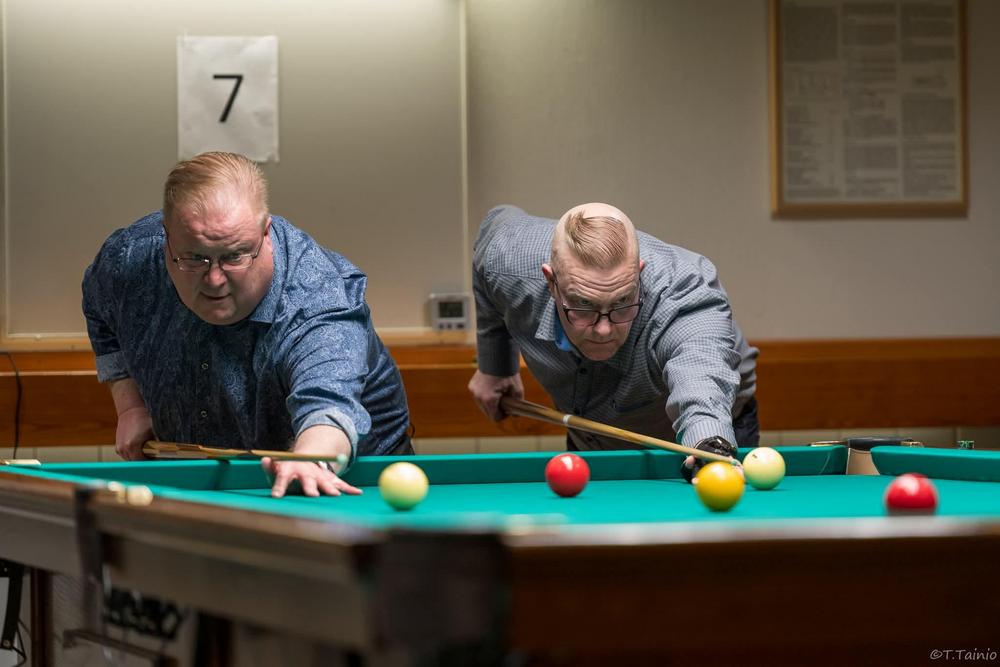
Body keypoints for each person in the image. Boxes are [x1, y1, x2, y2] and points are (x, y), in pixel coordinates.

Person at [83, 151, 411, 497]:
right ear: (167, 237)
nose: (214, 279)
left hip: (346, 481)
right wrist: (131, 406)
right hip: (207, 478)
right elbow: (100, 310)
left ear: (265, 233)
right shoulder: (129, 260)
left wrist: (311, 459)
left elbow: (328, 404)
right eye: (195, 258)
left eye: (234, 256)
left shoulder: (316, 296)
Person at [468, 203, 758, 479]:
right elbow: (493, 228)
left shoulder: (684, 293)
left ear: (639, 275)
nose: (604, 330)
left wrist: (708, 442)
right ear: (552, 282)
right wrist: (495, 366)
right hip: (591, 436)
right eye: (583, 304)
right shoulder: (506, 259)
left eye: (622, 302)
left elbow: (701, 368)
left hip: (694, 440)